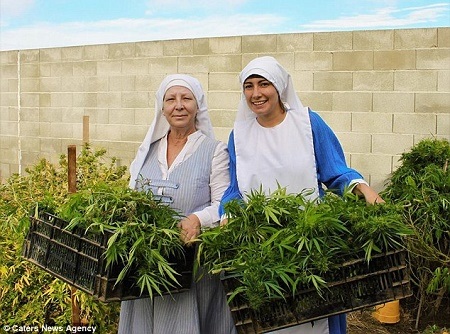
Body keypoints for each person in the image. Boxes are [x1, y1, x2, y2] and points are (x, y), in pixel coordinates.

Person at [220, 56, 384, 334]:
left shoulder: (308, 123)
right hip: (262, 253)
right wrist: (227, 215)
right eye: (249, 86)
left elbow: (334, 171)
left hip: (310, 246)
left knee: (315, 317)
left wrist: (364, 190)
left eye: (264, 84)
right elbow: (236, 189)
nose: (256, 93)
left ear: (280, 87)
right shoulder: (239, 136)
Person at [119, 74, 236, 334]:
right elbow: (131, 199)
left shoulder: (214, 151)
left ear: (198, 106)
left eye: (186, 98)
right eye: (170, 99)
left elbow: (223, 203)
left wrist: (197, 219)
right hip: (147, 264)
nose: (179, 105)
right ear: (162, 108)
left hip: (191, 264)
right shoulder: (148, 150)